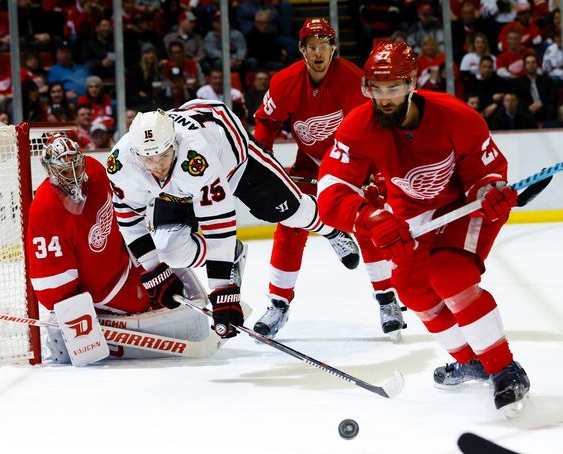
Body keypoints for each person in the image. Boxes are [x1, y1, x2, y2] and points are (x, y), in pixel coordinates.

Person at [316, 40, 530, 414]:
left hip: (463, 207)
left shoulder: (457, 117)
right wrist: (369, 217)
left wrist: (490, 190)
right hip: (410, 214)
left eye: (393, 88)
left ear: (412, 82)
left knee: (448, 274)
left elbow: (487, 175)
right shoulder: (359, 125)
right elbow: (331, 189)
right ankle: (469, 361)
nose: (383, 98)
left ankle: (505, 370)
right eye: (376, 88)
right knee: (412, 289)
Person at [107, 101, 356, 339]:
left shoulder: (196, 157)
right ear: (135, 152)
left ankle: (331, 230)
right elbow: (127, 213)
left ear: (175, 142)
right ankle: (234, 255)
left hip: (235, 162)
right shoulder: (121, 162)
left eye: (163, 156)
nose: (158, 166)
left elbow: (219, 226)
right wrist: (154, 268)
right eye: (148, 159)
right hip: (179, 188)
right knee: (170, 251)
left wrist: (223, 290)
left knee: (294, 213)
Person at [253, 18, 403, 340]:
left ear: (334, 49)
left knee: (367, 219)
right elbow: (266, 122)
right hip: (309, 162)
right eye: (312, 46)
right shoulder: (284, 82)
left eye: (324, 45)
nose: (318, 52)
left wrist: (377, 172)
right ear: (302, 50)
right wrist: (264, 164)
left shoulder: (353, 80)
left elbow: (376, 127)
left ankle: (387, 298)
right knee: (292, 221)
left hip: (351, 163)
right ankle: (278, 303)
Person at [27, 133, 214, 364]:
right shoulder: (45, 207)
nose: (75, 176)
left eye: (77, 166)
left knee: (166, 264)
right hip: (104, 287)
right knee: (142, 301)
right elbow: (50, 275)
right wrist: (72, 311)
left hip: (124, 254)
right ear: (51, 170)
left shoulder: (94, 170)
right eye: (66, 171)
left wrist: (138, 245)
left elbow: (122, 208)